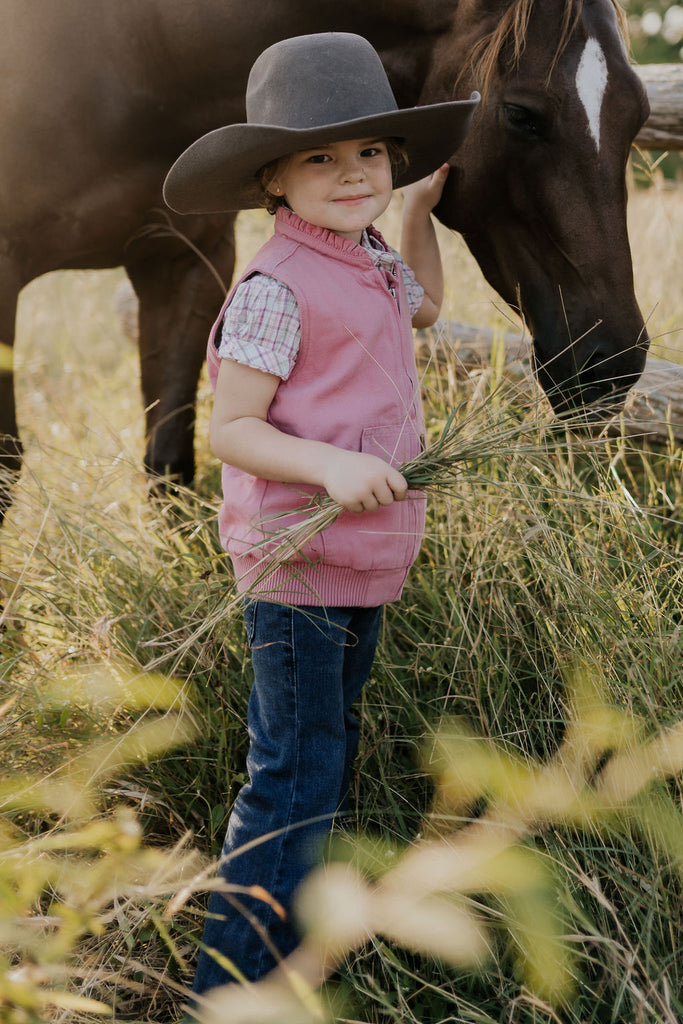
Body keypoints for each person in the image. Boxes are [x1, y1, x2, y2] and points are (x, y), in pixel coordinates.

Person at [163, 30, 478, 1010]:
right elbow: (232, 431)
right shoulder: (276, 286)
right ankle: (231, 987)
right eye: (320, 156)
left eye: (371, 153)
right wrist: (332, 463)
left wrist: (418, 209)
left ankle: (292, 955)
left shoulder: (369, 252)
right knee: (290, 781)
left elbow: (421, 310)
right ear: (271, 178)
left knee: (323, 754)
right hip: (296, 567)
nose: (354, 173)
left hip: (359, 560)